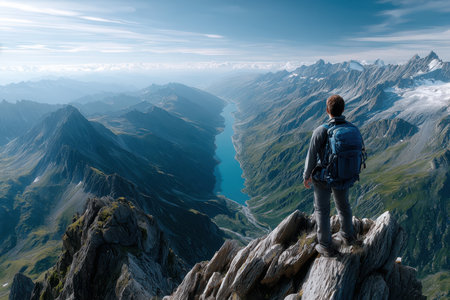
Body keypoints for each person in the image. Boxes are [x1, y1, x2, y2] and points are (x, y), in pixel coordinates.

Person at [303, 94, 362, 257]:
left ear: (327, 110)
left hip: (324, 178)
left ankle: (325, 245)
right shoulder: (353, 129)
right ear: (343, 110)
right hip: (344, 175)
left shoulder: (321, 130)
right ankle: (348, 236)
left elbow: (312, 156)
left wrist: (307, 176)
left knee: (321, 210)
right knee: (343, 206)